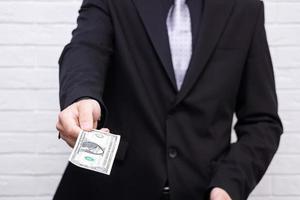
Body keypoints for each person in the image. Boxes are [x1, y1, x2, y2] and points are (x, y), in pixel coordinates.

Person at [54, 0, 284, 199]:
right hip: (108, 187)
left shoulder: (245, 8)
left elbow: (262, 122)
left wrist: (230, 184)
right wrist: (81, 97)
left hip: (201, 190)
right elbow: (85, 49)